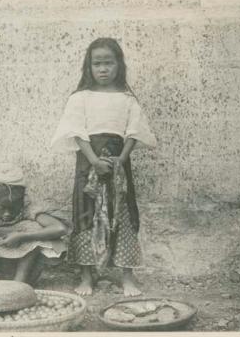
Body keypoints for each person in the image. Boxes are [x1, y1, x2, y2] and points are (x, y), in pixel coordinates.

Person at [50, 37, 156, 297]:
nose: (103, 69)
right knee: (87, 213)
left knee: (122, 213)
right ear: (89, 67)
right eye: (97, 64)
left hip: (119, 163)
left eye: (109, 63)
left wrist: (121, 158)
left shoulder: (127, 99)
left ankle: (127, 277)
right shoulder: (80, 98)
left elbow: (133, 132)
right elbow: (77, 131)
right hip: (89, 163)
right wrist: (94, 161)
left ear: (119, 65)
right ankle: (87, 276)